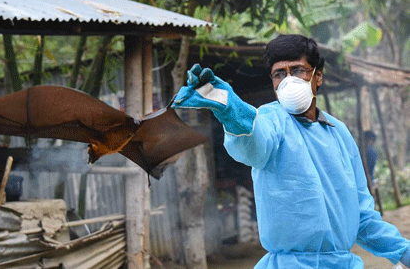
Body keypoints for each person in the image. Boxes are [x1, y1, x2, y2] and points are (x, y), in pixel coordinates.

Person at [172, 34, 410, 268]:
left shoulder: (340, 133)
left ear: (318, 76)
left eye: (297, 70)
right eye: (279, 74)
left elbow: (362, 215)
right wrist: (231, 110)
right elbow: (254, 144)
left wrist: (403, 250)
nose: (288, 80)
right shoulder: (270, 120)